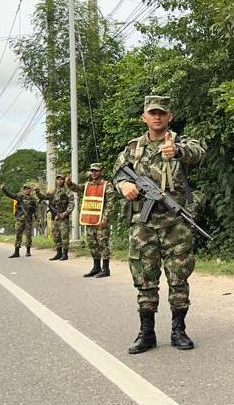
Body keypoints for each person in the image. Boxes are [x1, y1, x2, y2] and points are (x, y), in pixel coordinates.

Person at [115, 95, 205, 353]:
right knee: (144, 278)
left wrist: (177, 151)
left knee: (178, 277)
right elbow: (117, 174)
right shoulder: (132, 148)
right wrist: (125, 186)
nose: (157, 117)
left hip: (175, 224)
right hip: (143, 226)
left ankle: (179, 330)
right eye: (152, 113)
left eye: (162, 113)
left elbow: (199, 153)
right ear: (144, 117)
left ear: (169, 117)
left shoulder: (180, 142)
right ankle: (147, 333)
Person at [68, 164, 118, 277]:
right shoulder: (88, 185)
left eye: (96, 171)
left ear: (101, 171)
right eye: (92, 171)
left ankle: (105, 269)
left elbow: (111, 203)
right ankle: (96, 267)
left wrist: (105, 217)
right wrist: (69, 183)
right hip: (90, 220)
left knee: (103, 244)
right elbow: (77, 188)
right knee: (92, 244)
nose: (94, 173)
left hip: (101, 221)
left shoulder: (107, 185)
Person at [37, 173, 75, 261]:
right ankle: (58, 253)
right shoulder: (53, 191)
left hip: (63, 217)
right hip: (55, 217)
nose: (59, 181)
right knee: (56, 236)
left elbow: (71, 204)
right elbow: (43, 197)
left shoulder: (67, 191)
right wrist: (37, 191)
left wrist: (65, 214)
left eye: (61, 179)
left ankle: (65, 254)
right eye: (58, 179)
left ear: (64, 180)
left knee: (64, 236)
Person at [0, 183, 40, 258]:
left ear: (30, 190)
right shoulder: (19, 197)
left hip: (28, 219)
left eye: (28, 189)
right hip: (20, 219)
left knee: (28, 235)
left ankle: (28, 251)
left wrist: (37, 219)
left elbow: (36, 210)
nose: (26, 190)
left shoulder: (33, 199)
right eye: (25, 189)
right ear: (23, 190)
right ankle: (16, 251)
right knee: (18, 235)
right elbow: (10, 195)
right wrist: (4, 189)